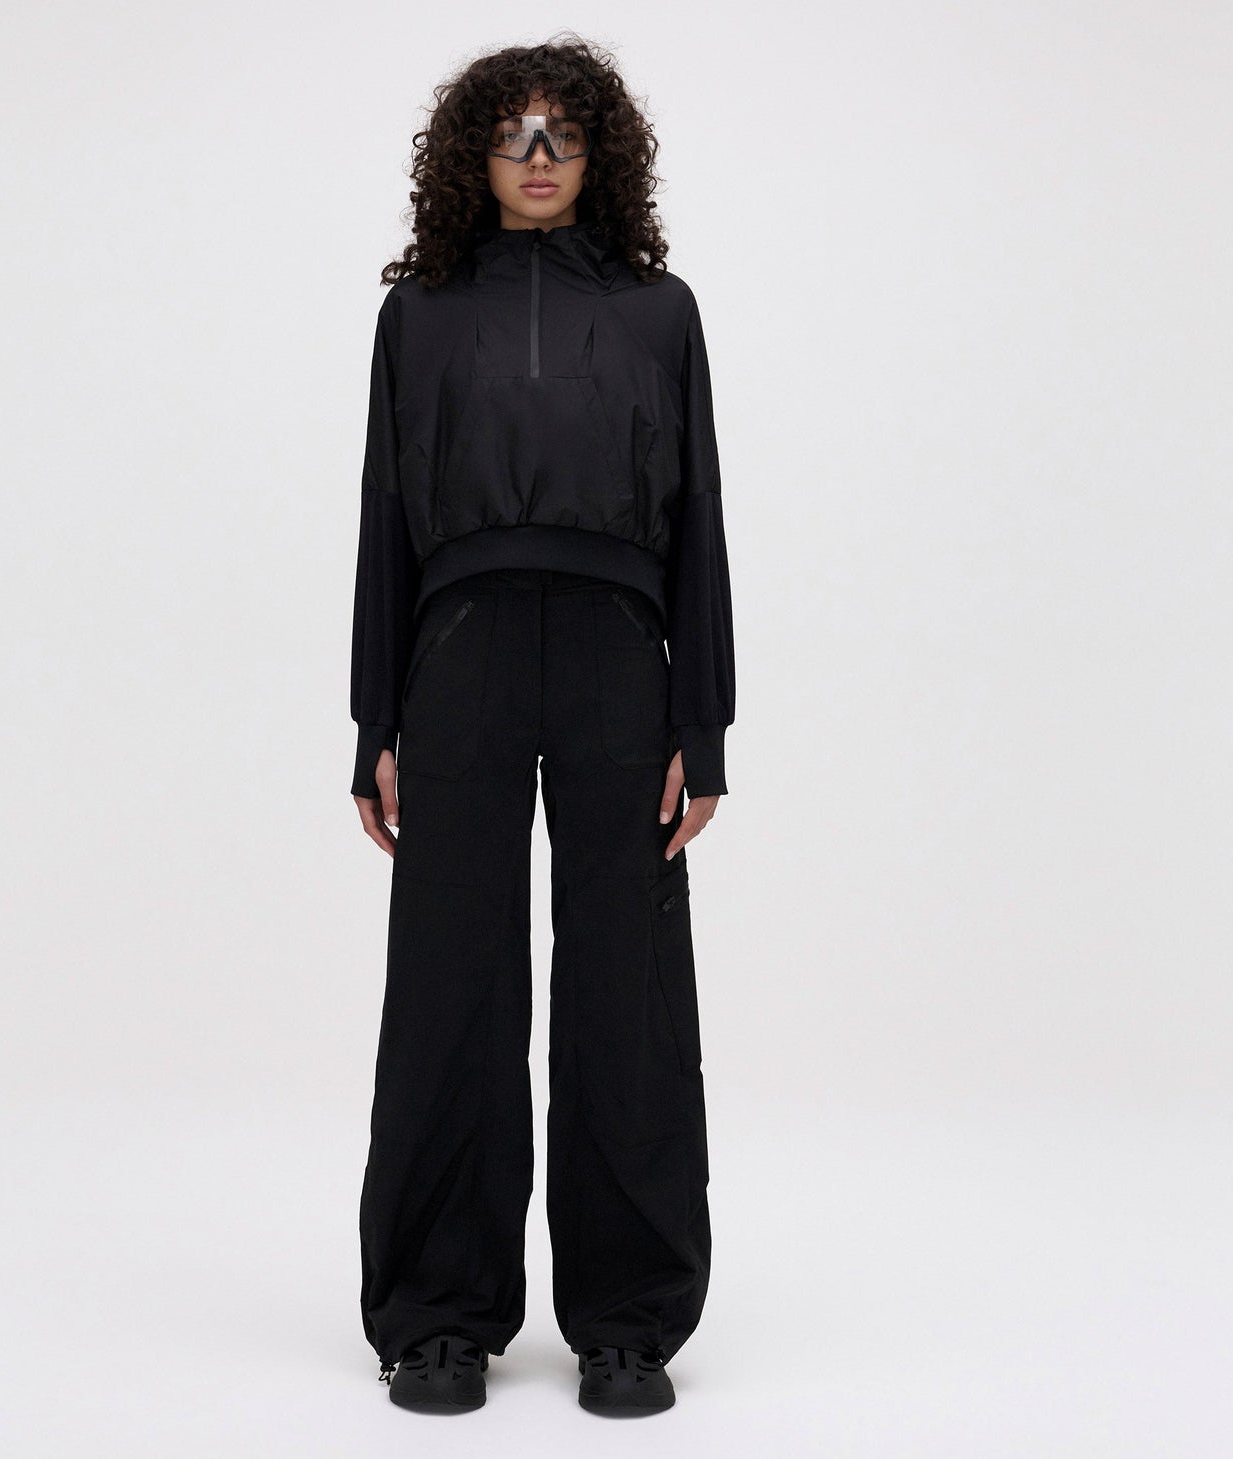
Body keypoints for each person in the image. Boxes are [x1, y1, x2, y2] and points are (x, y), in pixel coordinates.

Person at [348, 36, 736, 1416]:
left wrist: (704, 720)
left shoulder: (658, 312)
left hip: (618, 659)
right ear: (473, 154)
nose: (535, 157)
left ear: (597, 155)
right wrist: (373, 717)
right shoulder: (419, 314)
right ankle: (439, 1316)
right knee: (450, 977)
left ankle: (627, 1322)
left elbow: (700, 519)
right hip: (458, 654)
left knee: (626, 983)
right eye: (511, 134)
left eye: (561, 134)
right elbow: (383, 521)